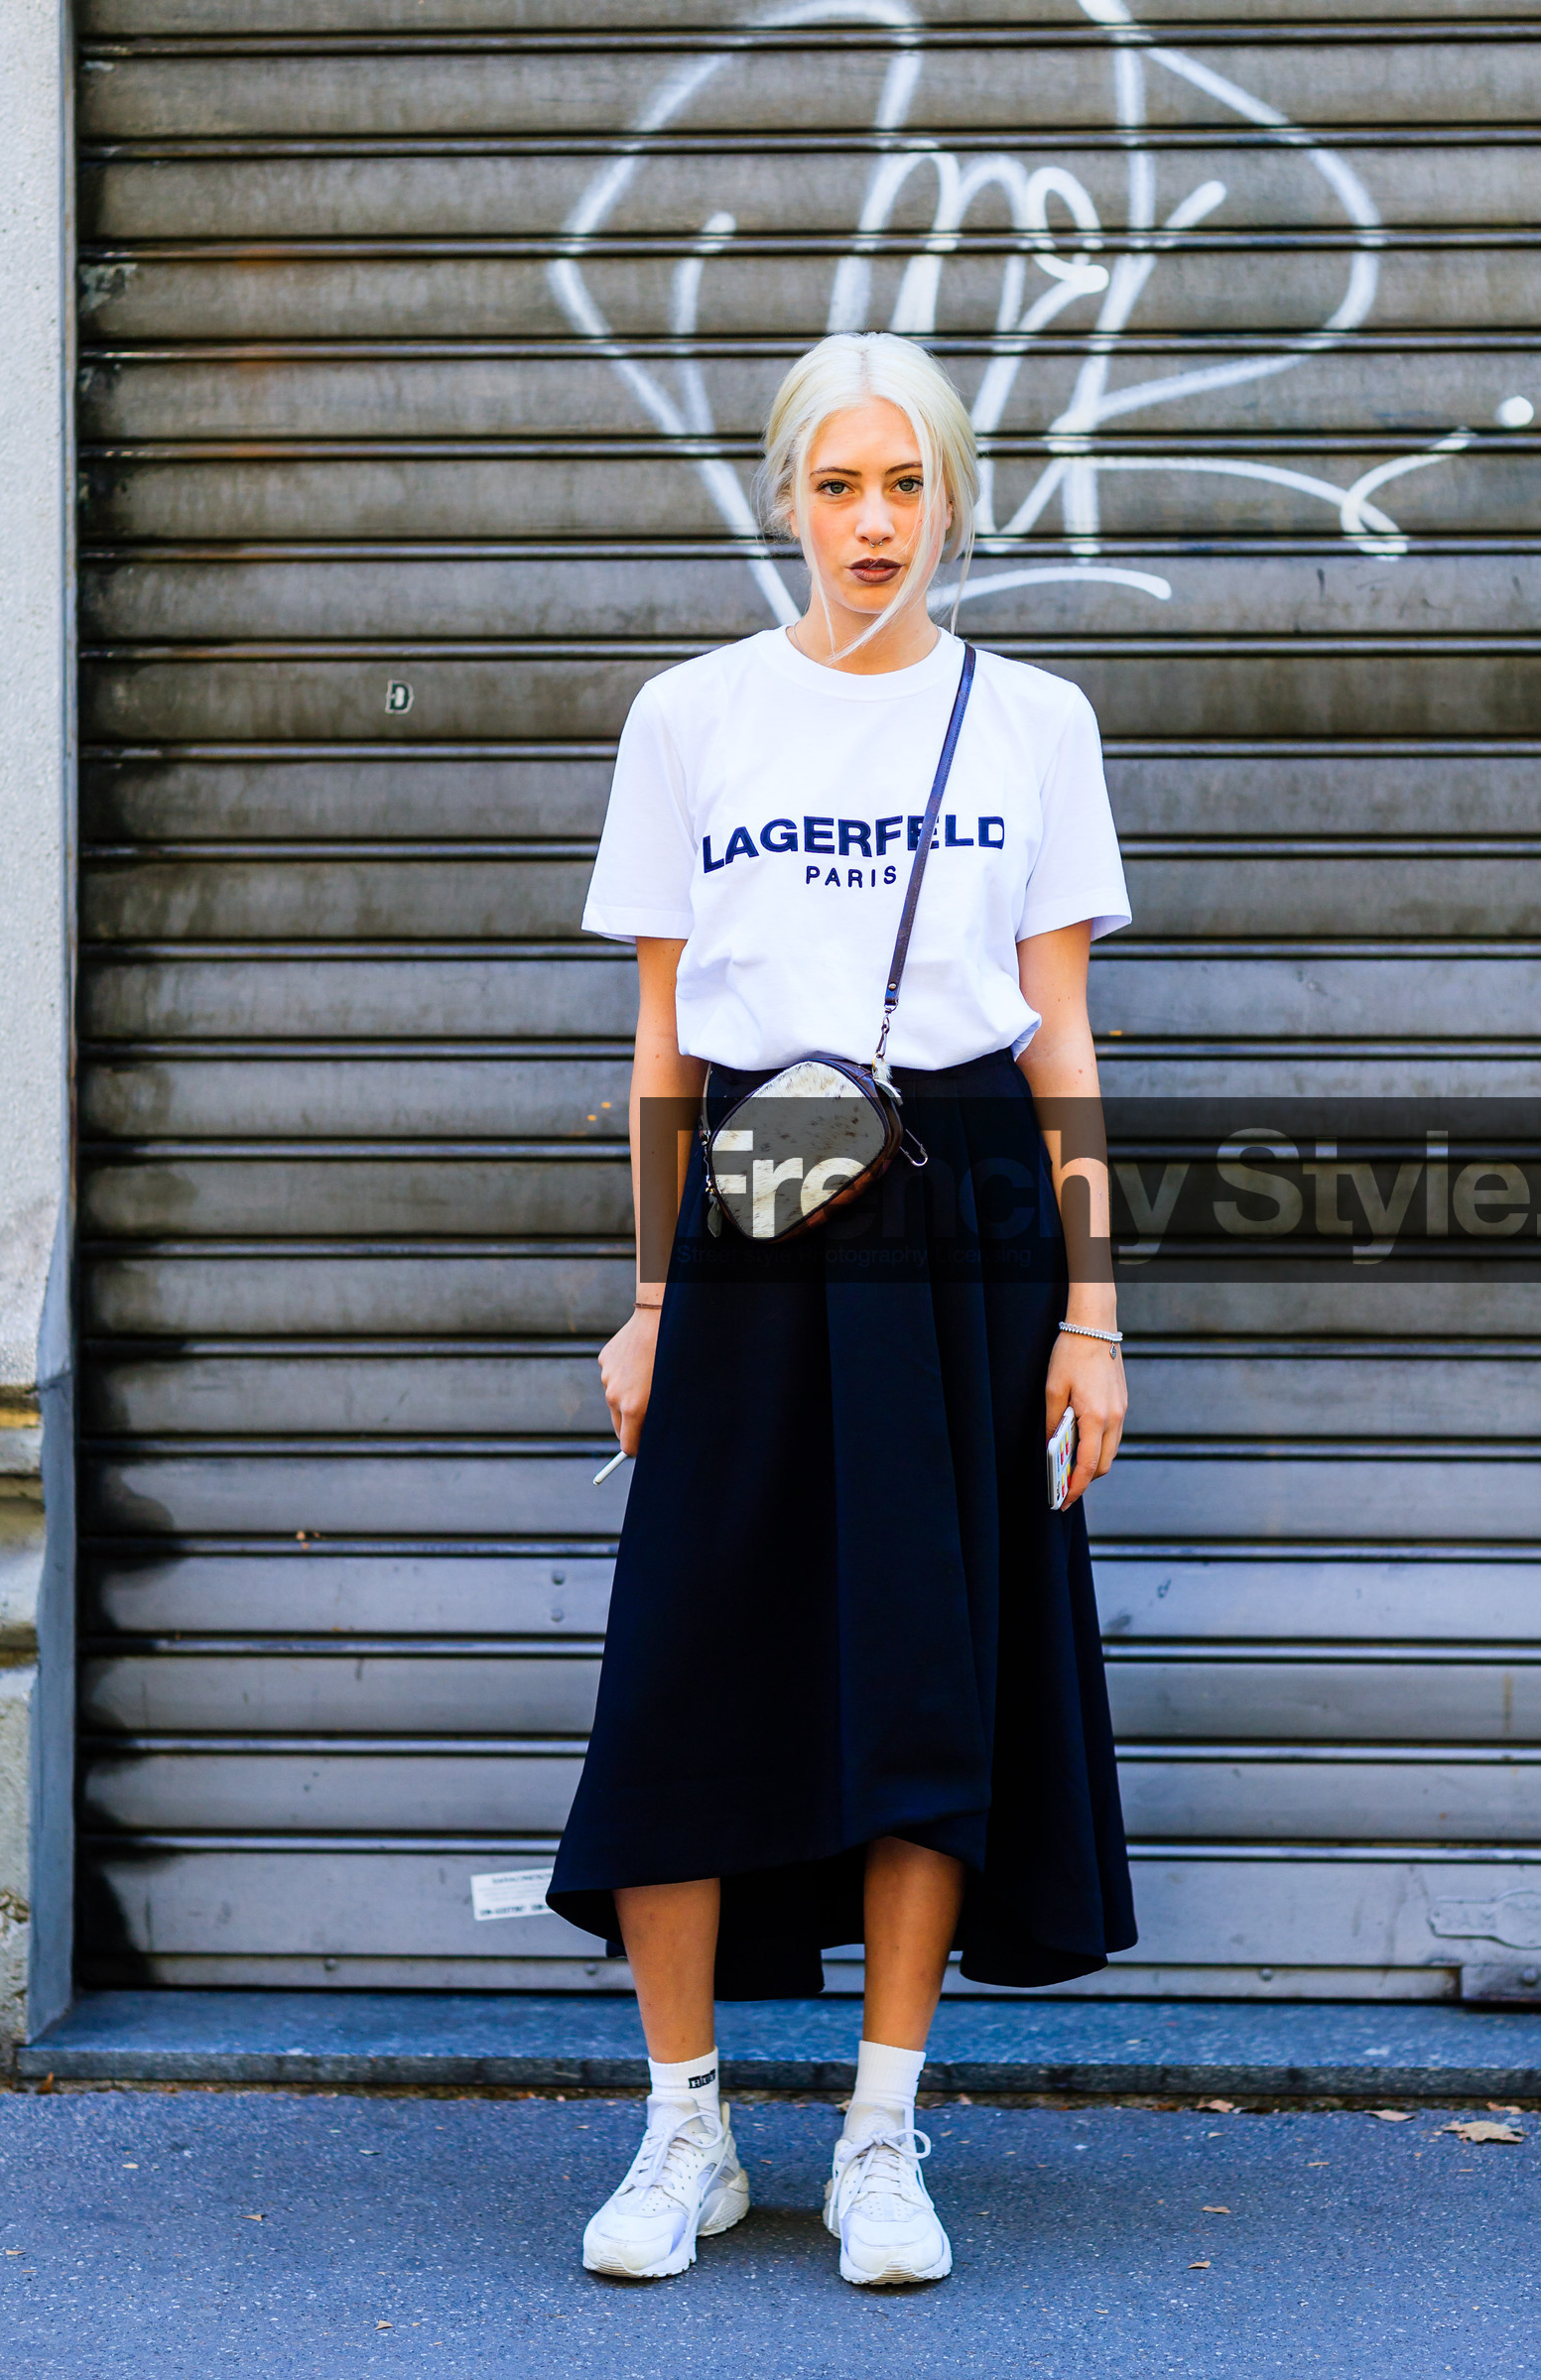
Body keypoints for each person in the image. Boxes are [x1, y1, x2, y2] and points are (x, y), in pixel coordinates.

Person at [547, 330, 1135, 2287]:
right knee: (685, 1672)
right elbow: (655, 1033)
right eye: (833, 486)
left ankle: (881, 2135)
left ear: (951, 495)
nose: (869, 525)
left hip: (961, 1210)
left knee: (923, 1665)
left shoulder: (1029, 718)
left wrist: (1091, 1312)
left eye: (902, 485)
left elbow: (1053, 1031)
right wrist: (648, 1296)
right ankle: (685, 2132)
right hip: (749, 1191)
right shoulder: (691, 717)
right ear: (783, 497)